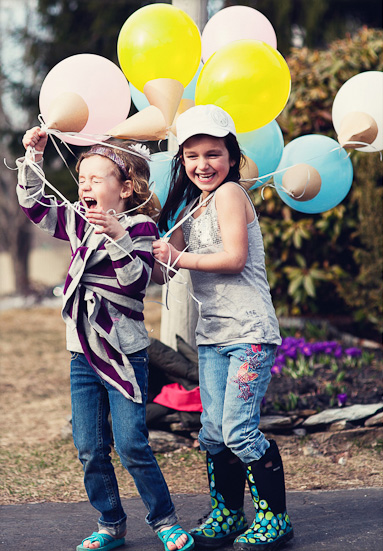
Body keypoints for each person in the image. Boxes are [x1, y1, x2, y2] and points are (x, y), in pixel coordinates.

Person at [16, 127, 194, 551]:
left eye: (97, 179)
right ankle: (111, 522)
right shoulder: (78, 222)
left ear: (125, 188)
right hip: (82, 352)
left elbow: (135, 283)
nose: (86, 187)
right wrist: (33, 159)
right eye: (82, 180)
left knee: (132, 443)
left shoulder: (143, 227)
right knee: (90, 448)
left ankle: (164, 519)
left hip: (124, 353)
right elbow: (35, 206)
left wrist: (117, 236)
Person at [152, 105, 294, 551]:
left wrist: (177, 257)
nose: (203, 164)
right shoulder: (191, 206)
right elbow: (165, 270)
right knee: (212, 431)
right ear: (182, 161)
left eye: (213, 153)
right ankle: (229, 513)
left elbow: (233, 258)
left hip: (248, 332)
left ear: (230, 157)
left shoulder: (232, 195)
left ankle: (275, 520)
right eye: (192, 156)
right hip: (212, 335)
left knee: (238, 429)